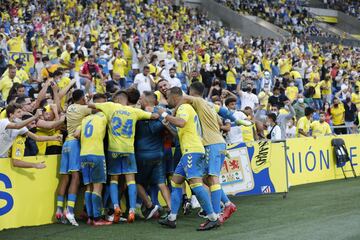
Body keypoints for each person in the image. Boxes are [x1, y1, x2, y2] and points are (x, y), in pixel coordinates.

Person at [88, 90, 159, 223]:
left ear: (117, 100)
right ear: (125, 100)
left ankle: (115, 206)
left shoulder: (110, 106)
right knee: (130, 180)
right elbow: (154, 116)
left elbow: (90, 106)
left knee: (114, 180)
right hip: (129, 150)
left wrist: (91, 98)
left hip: (113, 150)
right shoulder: (134, 111)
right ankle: (132, 210)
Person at [158, 87, 219, 231]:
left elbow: (181, 123)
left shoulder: (184, 107)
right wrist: (168, 126)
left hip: (192, 151)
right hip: (189, 151)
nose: (167, 100)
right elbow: (179, 132)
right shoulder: (185, 108)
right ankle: (172, 218)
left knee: (196, 184)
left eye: (168, 97)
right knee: (176, 181)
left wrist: (165, 115)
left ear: (174, 97)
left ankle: (213, 218)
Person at [183, 82, 237, 223]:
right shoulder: (210, 106)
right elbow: (222, 117)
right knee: (207, 178)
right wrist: (236, 119)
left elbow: (181, 96)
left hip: (212, 144)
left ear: (192, 92)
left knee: (212, 179)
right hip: (217, 143)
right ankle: (228, 204)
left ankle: (216, 215)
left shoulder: (198, 101)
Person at [55, 89, 92, 226]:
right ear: (82, 99)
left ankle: (59, 209)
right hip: (76, 144)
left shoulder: (70, 107)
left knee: (65, 178)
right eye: (85, 98)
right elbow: (98, 111)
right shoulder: (84, 108)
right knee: (76, 178)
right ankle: (69, 211)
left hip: (66, 145)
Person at [77, 93, 112, 226]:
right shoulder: (104, 116)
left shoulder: (86, 119)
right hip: (96, 154)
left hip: (83, 154)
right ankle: (97, 219)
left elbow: (76, 134)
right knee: (97, 187)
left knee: (88, 187)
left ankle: (90, 217)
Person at [135, 91, 171, 219]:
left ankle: (150, 205)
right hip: (158, 154)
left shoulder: (136, 114)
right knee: (161, 183)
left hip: (142, 154)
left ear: (145, 101)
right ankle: (171, 210)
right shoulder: (162, 114)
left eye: (141, 99)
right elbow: (170, 117)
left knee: (135, 182)